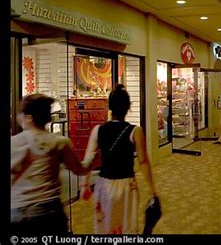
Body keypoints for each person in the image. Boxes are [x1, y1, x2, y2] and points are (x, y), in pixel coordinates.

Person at [80, 84, 158, 234]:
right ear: (128, 108)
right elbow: (143, 162)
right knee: (126, 226)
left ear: (110, 107)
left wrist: (85, 185)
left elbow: (88, 159)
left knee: (105, 227)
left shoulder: (98, 130)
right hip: (127, 185)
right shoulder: (136, 131)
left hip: (104, 185)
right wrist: (152, 190)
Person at [11, 94, 90, 235]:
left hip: (17, 211)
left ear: (28, 117)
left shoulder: (14, 143)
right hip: (50, 211)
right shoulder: (60, 142)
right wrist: (93, 158)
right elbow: (79, 169)